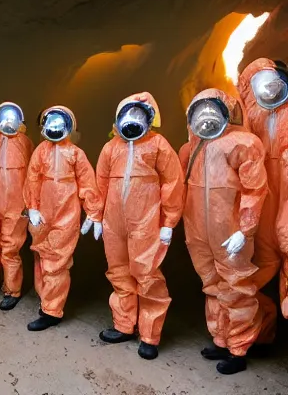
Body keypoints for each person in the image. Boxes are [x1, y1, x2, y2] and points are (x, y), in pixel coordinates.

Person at [179, 89, 268, 375]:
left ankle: (239, 348)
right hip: (199, 232)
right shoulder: (190, 149)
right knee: (212, 285)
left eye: (211, 110)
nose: (205, 118)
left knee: (237, 287)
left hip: (231, 233)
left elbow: (255, 189)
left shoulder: (242, 144)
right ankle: (221, 338)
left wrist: (246, 229)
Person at [93, 92, 184, 360]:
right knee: (119, 272)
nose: (132, 121)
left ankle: (149, 335)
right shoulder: (111, 148)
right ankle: (123, 325)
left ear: (150, 119)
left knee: (147, 274)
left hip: (145, 222)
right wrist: (96, 216)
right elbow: (100, 183)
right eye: (127, 115)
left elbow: (173, 184)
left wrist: (168, 222)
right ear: (117, 118)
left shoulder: (158, 145)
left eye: (139, 115)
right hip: (113, 222)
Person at [24, 105, 103, 331]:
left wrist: (94, 212)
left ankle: (52, 311)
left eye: (60, 125)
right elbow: (32, 179)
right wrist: (32, 207)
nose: (55, 129)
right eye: (52, 125)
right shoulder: (41, 151)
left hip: (66, 215)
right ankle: (46, 301)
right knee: (42, 256)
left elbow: (88, 184)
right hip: (42, 216)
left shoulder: (76, 154)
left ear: (69, 126)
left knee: (56, 263)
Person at [238, 58, 287, 336]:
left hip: (283, 201)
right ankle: (257, 333)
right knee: (255, 272)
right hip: (263, 200)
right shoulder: (252, 117)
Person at [0, 102, 34, 310]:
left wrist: (30, 204)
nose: (8, 122)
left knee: (11, 249)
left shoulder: (26, 144)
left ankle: (12, 290)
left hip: (16, 205)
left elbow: (33, 174)